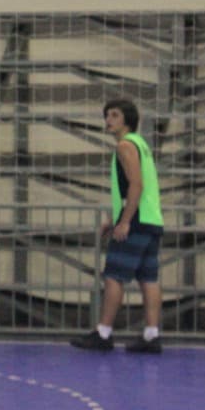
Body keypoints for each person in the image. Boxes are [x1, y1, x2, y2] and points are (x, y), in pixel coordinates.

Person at [71, 98, 164, 354]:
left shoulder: (125, 146)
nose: (108, 120)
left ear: (127, 119)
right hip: (152, 220)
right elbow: (137, 189)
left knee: (113, 275)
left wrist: (123, 221)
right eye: (107, 115)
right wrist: (113, 219)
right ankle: (152, 334)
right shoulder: (141, 144)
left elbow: (136, 185)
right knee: (148, 278)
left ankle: (104, 333)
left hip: (136, 221)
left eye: (114, 115)